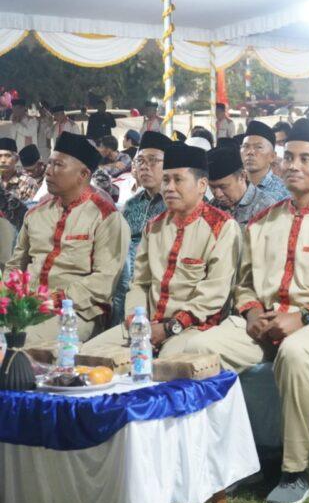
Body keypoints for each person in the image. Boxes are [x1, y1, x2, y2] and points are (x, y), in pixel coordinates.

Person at [188, 119, 309, 503]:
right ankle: (225, 462)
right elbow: (244, 284)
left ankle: (296, 473)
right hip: (262, 323)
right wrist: (252, 312)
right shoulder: (262, 222)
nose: (293, 165)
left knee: (295, 352)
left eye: (305, 158)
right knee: (194, 350)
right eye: (289, 157)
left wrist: (305, 316)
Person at [82, 143, 240, 360]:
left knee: (165, 365)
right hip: (146, 325)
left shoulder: (222, 226)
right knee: (86, 355)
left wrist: (169, 327)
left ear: (202, 185)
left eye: (178, 180)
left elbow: (215, 293)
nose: (169, 187)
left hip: (193, 328)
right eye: (166, 180)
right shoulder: (154, 226)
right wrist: (137, 320)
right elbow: (140, 283)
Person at [5, 132, 130, 347]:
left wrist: (53, 299)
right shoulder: (35, 214)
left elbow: (104, 280)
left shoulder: (106, 217)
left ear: (83, 174)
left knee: (23, 339)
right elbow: (15, 265)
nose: (48, 171)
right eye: (50, 163)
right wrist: (10, 297)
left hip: (76, 312)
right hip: (26, 306)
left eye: (58, 165)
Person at [111, 131, 172, 324]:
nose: (145, 167)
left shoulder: (176, 204)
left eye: (153, 160)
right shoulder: (131, 205)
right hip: (127, 280)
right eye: (140, 161)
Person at [207, 146, 276, 230]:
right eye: (212, 187)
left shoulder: (267, 209)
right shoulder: (210, 207)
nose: (218, 194)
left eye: (223, 187)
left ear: (242, 176)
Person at [240, 120, 290, 204]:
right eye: (246, 146)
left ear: (272, 156)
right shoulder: (233, 187)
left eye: (258, 147)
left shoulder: (284, 193)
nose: (250, 152)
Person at [0, 138, 38, 203]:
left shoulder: (28, 183)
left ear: (16, 159)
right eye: (0, 156)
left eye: (7, 156)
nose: (3, 160)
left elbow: (29, 208)